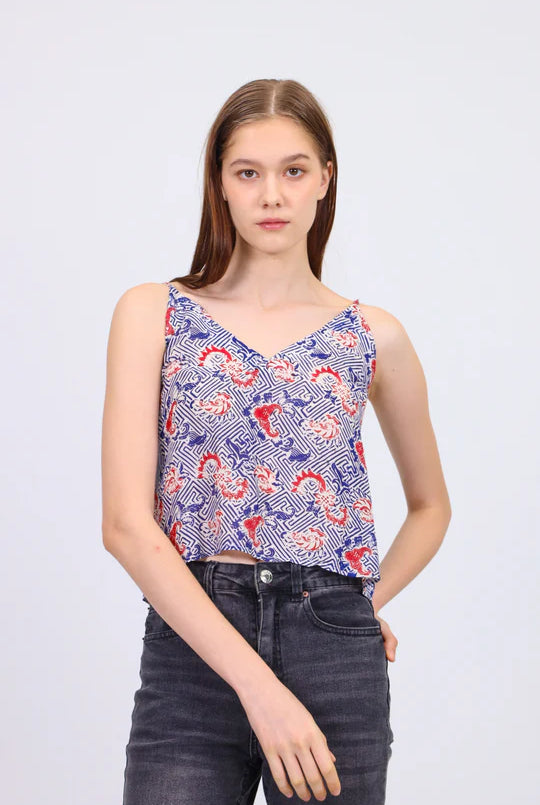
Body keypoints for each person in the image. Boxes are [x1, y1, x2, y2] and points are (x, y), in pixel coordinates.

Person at [101, 78, 451, 804]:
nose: (271, 195)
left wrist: (362, 607)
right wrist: (260, 688)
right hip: (192, 646)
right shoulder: (153, 313)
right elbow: (126, 526)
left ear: (325, 178)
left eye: (293, 170)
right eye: (247, 172)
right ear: (219, 184)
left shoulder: (372, 334)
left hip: (333, 645)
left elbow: (431, 507)